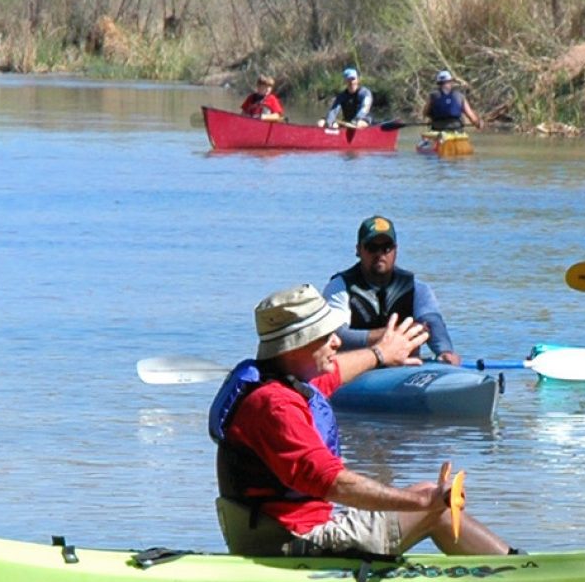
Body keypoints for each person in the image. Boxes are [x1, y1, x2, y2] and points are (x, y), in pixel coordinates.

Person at [209, 284, 511, 558]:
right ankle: (516, 576)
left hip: (272, 532)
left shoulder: (280, 381)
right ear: (296, 346)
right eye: (326, 336)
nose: (337, 342)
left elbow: (337, 371)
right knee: (435, 507)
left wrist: (382, 353)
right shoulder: (275, 406)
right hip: (290, 541)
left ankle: (508, 568)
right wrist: (418, 503)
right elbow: (334, 483)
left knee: (425, 493)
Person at [321, 216, 461, 367]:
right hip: (354, 372)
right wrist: (393, 335)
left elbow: (432, 322)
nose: (380, 254)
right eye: (372, 247)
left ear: (395, 250)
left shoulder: (417, 289)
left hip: (403, 371)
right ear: (358, 250)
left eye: (387, 247)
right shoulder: (338, 288)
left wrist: (445, 352)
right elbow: (336, 335)